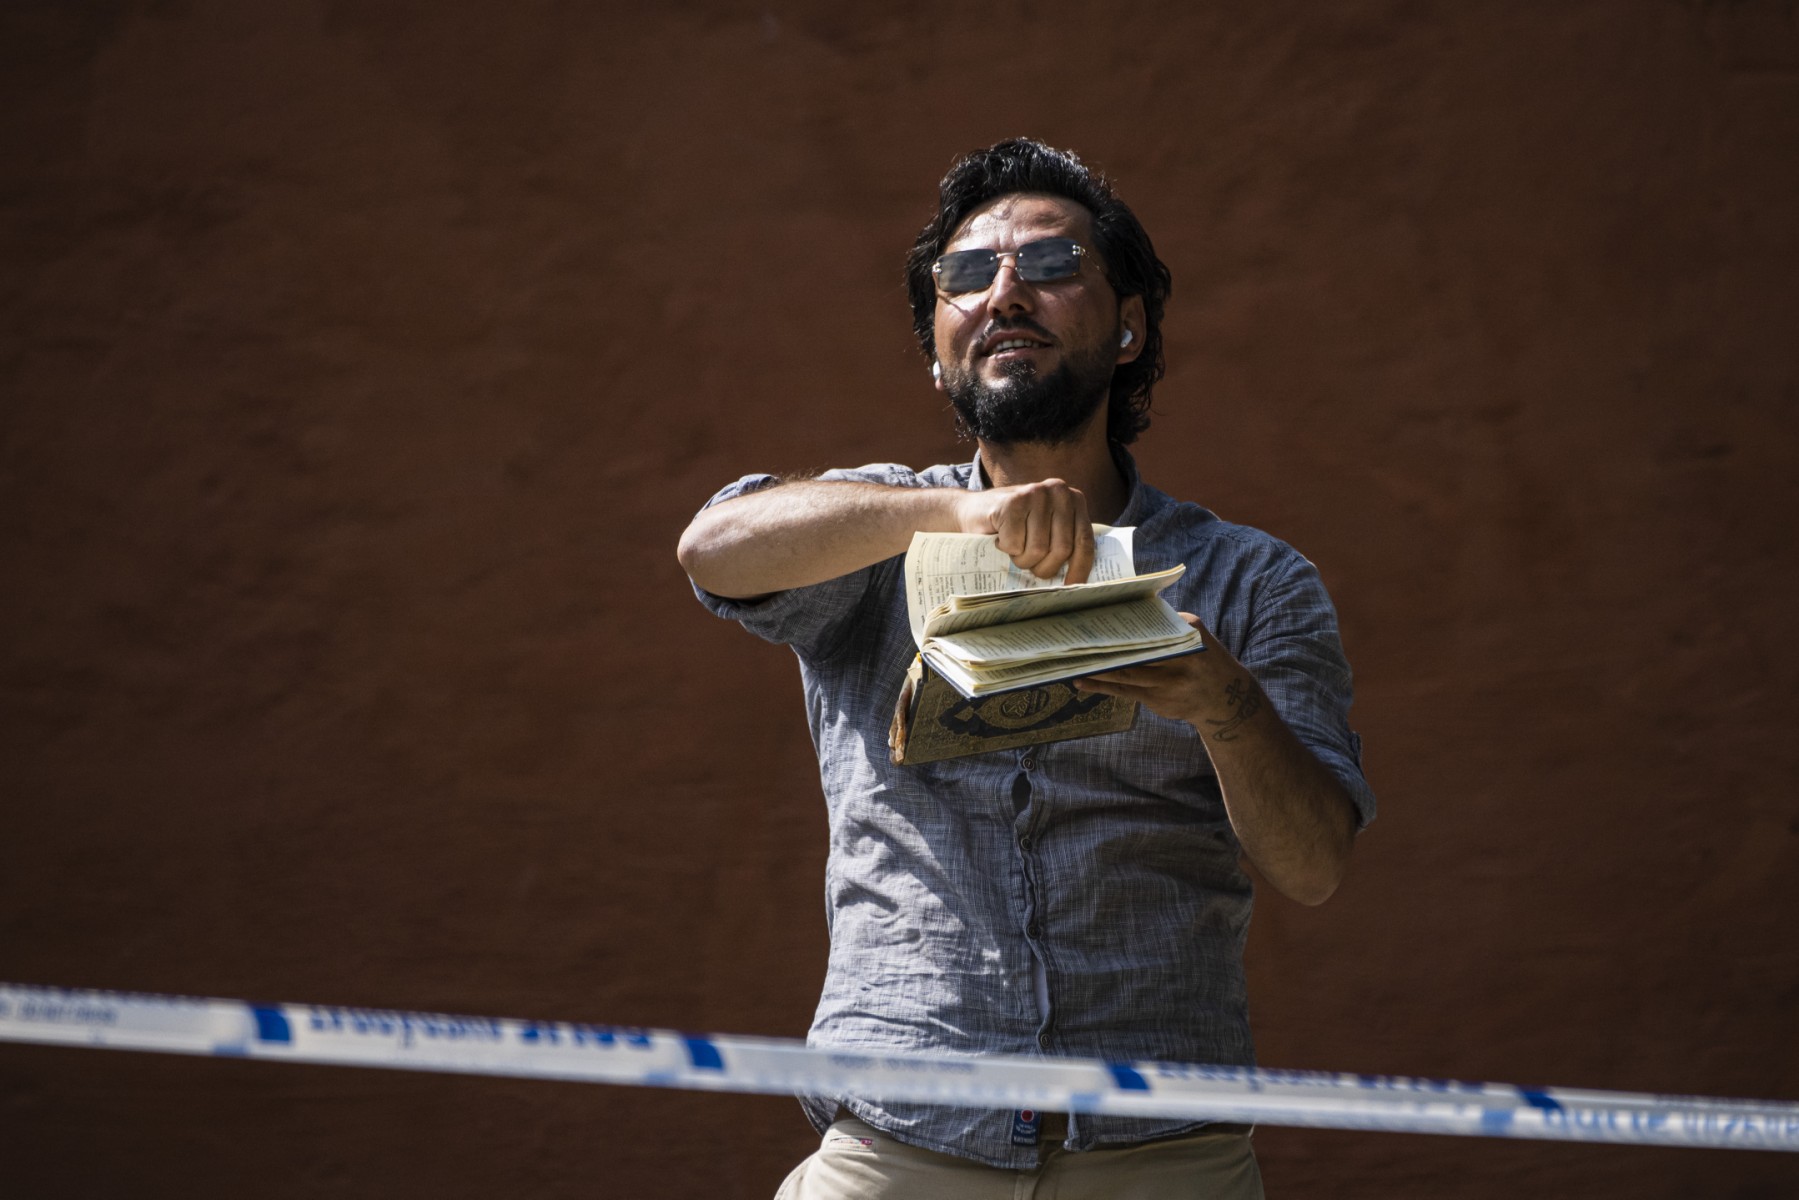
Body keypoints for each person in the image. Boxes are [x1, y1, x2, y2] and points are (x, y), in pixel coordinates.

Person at [678, 138, 1375, 1199]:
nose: (1004, 293)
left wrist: (1218, 699)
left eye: (1050, 266)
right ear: (935, 345)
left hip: (1161, 1158)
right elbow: (711, 549)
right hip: (897, 1144)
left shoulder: (1249, 580)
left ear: (1128, 325)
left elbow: (1314, 865)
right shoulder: (871, 535)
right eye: (965, 275)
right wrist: (956, 513)